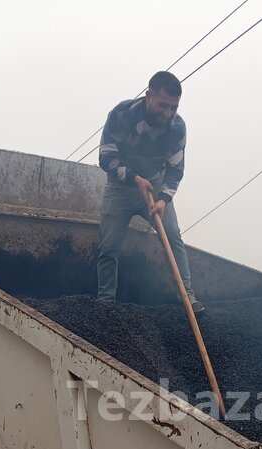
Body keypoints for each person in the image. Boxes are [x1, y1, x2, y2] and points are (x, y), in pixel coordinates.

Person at [96, 71, 204, 313]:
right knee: (108, 247)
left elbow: (175, 170)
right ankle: (105, 306)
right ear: (148, 96)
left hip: (155, 188)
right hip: (120, 187)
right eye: (163, 105)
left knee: (173, 237)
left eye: (173, 107)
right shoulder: (122, 115)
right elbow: (106, 157)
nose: (168, 113)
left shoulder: (177, 128)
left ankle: (188, 297)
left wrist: (163, 200)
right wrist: (134, 178)